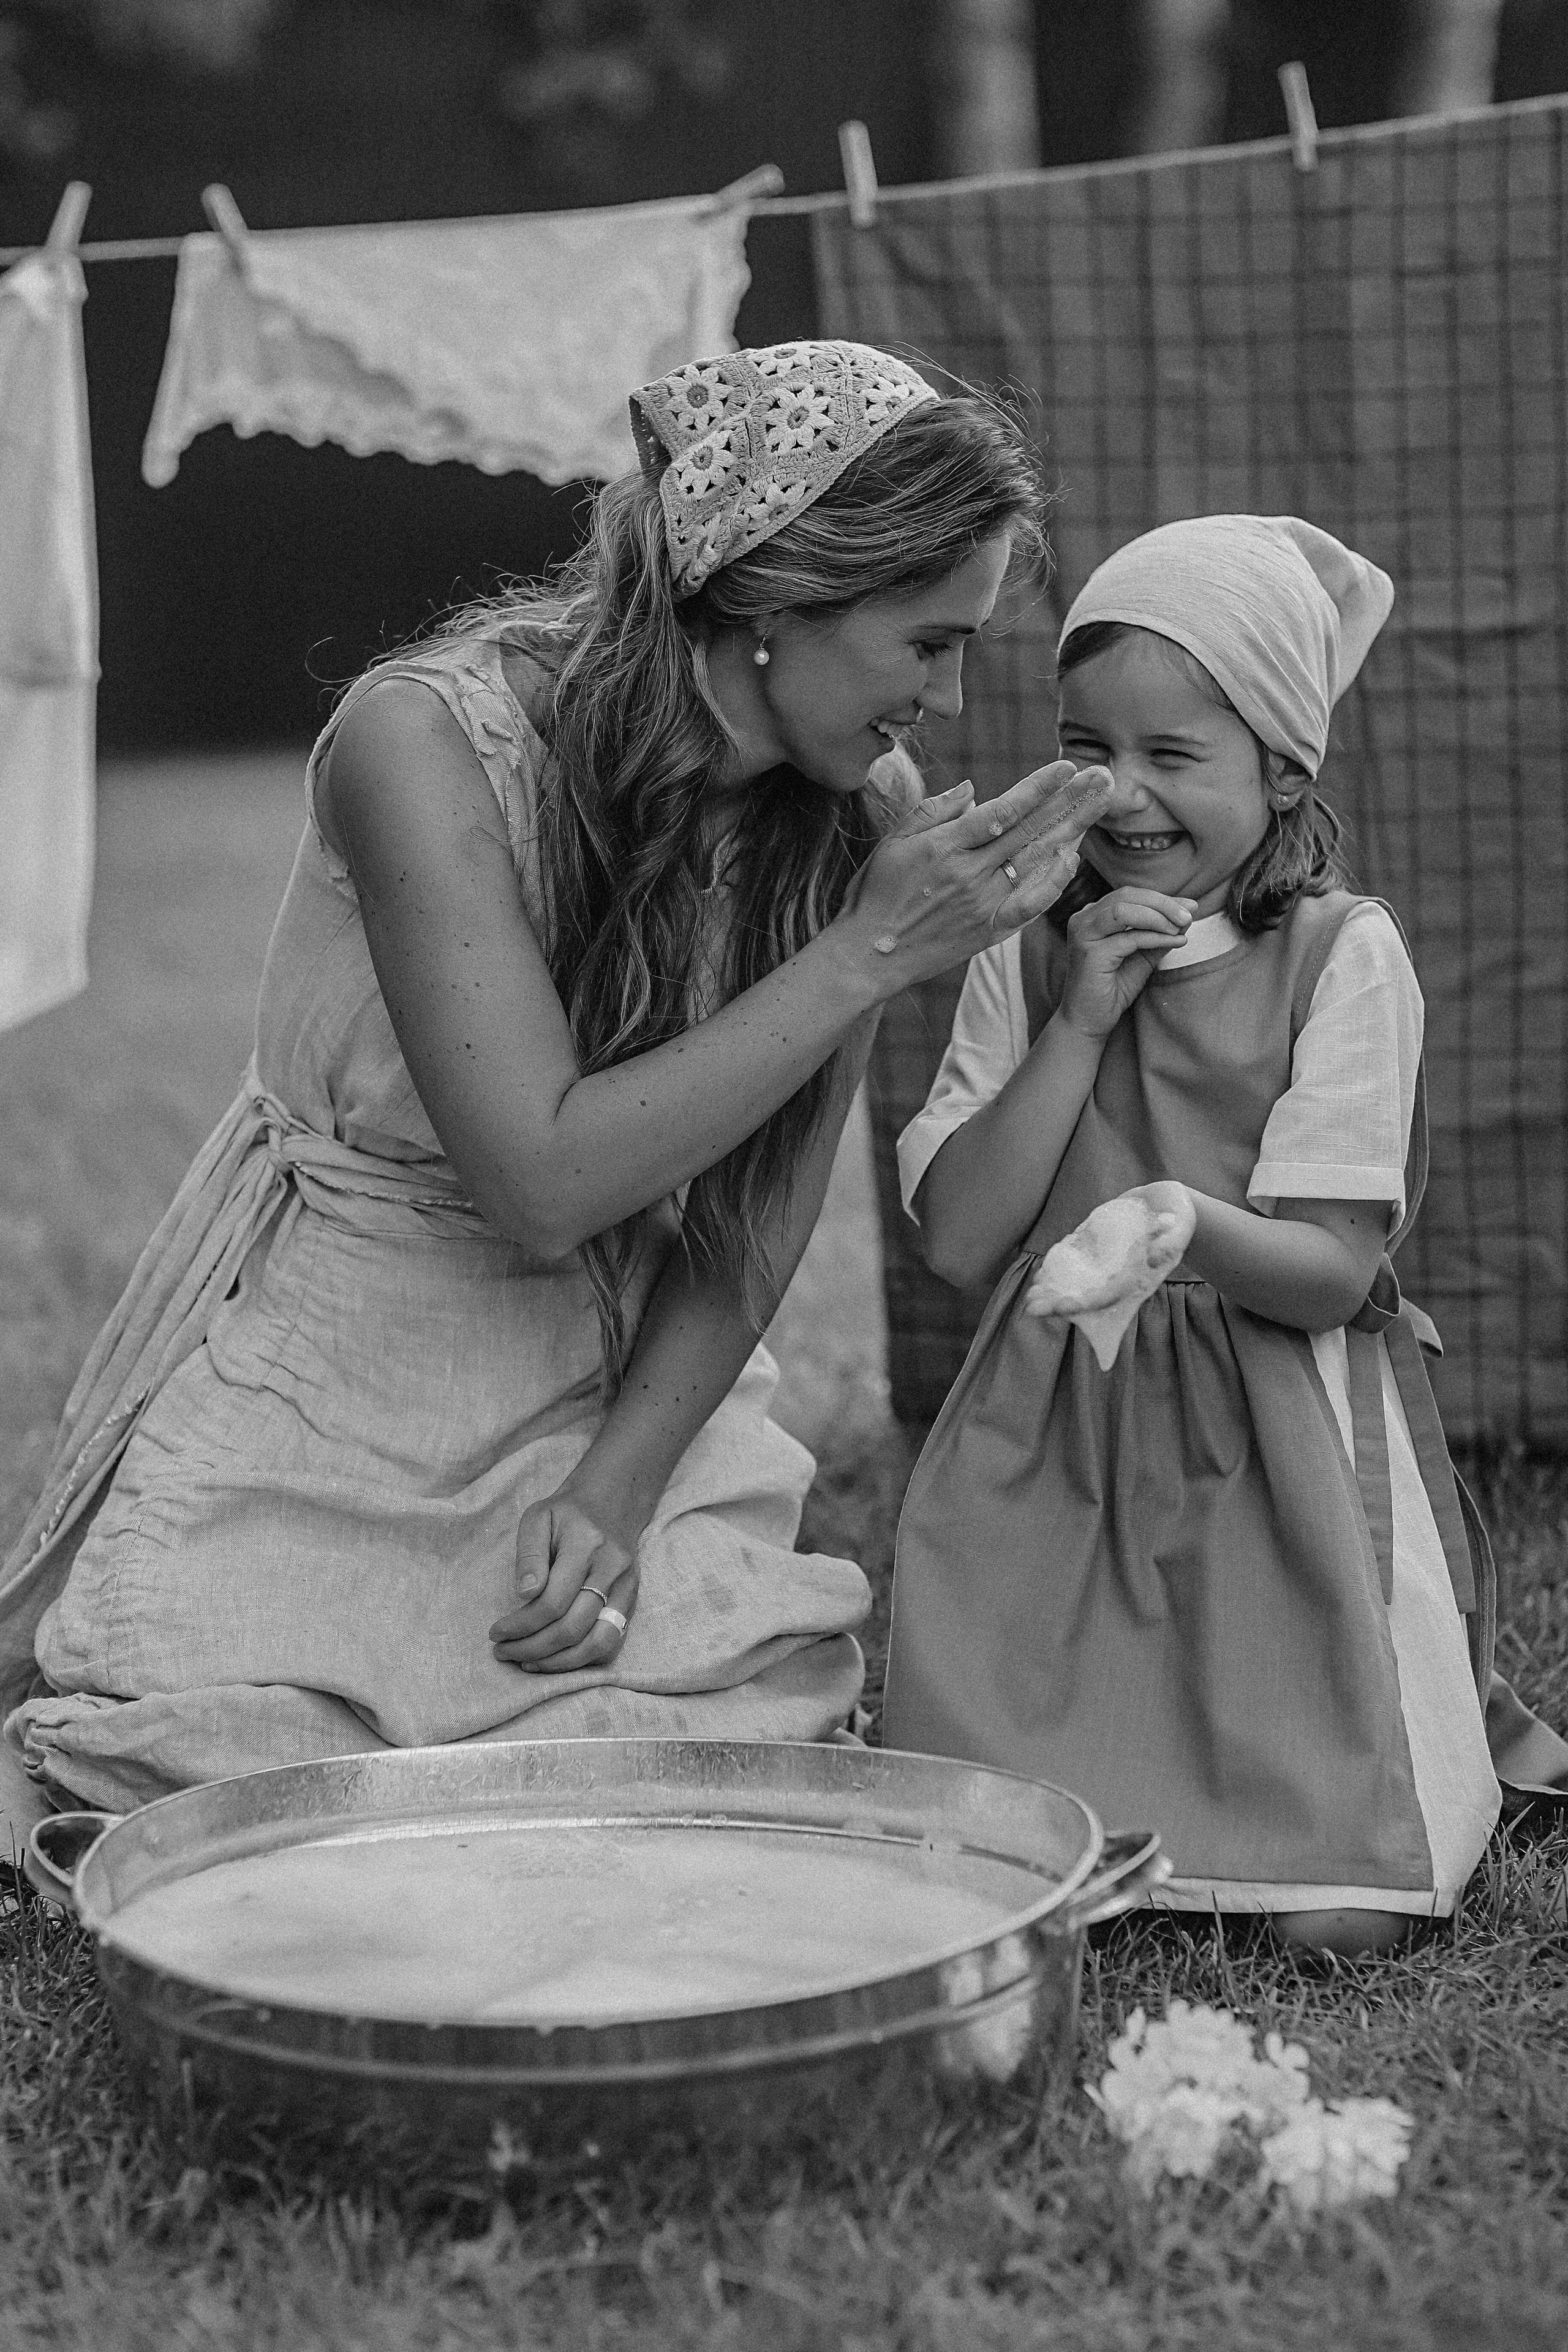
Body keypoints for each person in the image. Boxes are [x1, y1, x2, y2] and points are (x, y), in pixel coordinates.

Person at [0, 340, 1109, 1830]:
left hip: (617, 1359)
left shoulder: (859, 823)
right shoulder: (424, 746)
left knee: (740, 1719)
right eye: (930, 642)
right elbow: (537, 1182)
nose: (948, 695)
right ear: (781, 602)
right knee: (237, 1766)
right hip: (356, 1340)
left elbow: (757, 1224)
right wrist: (866, 957)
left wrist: (619, 1488)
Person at [884, 512, 1567, 1954]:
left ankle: (1330, 1798)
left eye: (1171, 757)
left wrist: (1174, 1222)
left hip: (1273, 1446)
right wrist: (1076, 1020)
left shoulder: (1339, 958)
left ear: (1280, 763)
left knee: (1338, 1929)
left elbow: (1327, 1275)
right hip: (1055, 1445)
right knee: (983, 1889)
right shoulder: (1023, 949)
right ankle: (1086, 1786)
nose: (1120, 795)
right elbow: (958, 1240)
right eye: (1089, 746)